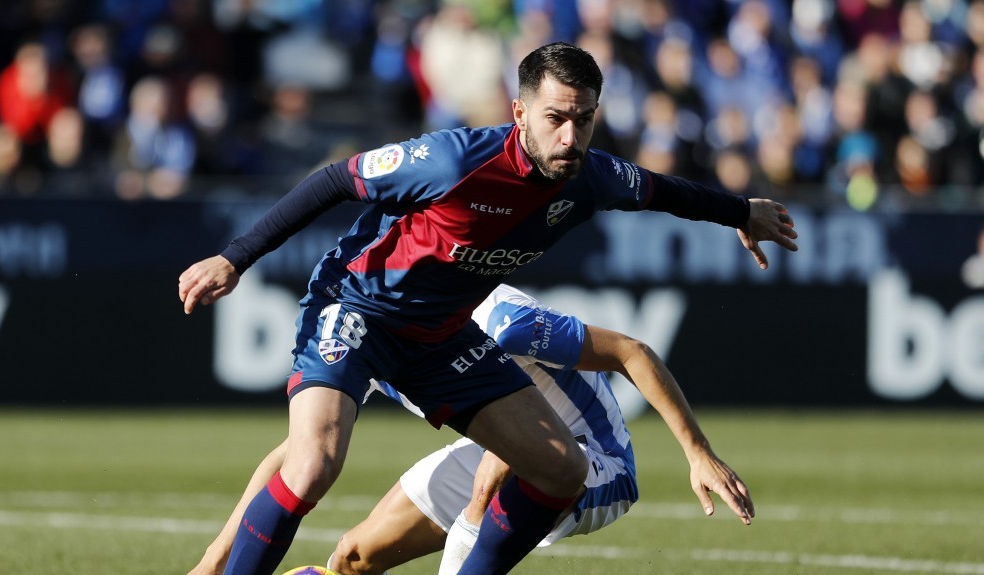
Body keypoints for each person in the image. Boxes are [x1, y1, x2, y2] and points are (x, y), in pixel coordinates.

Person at [178, 41, 797, 575]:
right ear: (519, 111)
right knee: (313, 462)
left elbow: (667, 191)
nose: (569, 136)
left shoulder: (592, 176)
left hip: (442, 337)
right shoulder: (453, 160)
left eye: (584, 120)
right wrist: (235, 257)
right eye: (556, 118)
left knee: (561, 470)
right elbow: (335, 179)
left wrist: (742, 213)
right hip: (359, 307)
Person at [188, 283, 756, 575]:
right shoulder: (370, 334)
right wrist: (214, 560)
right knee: (354, 559)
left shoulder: (502, 321)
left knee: (498, 466)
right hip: (496, 448)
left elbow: (631, 351)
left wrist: (697, 452)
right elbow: (296, 455)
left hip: (592, 460)